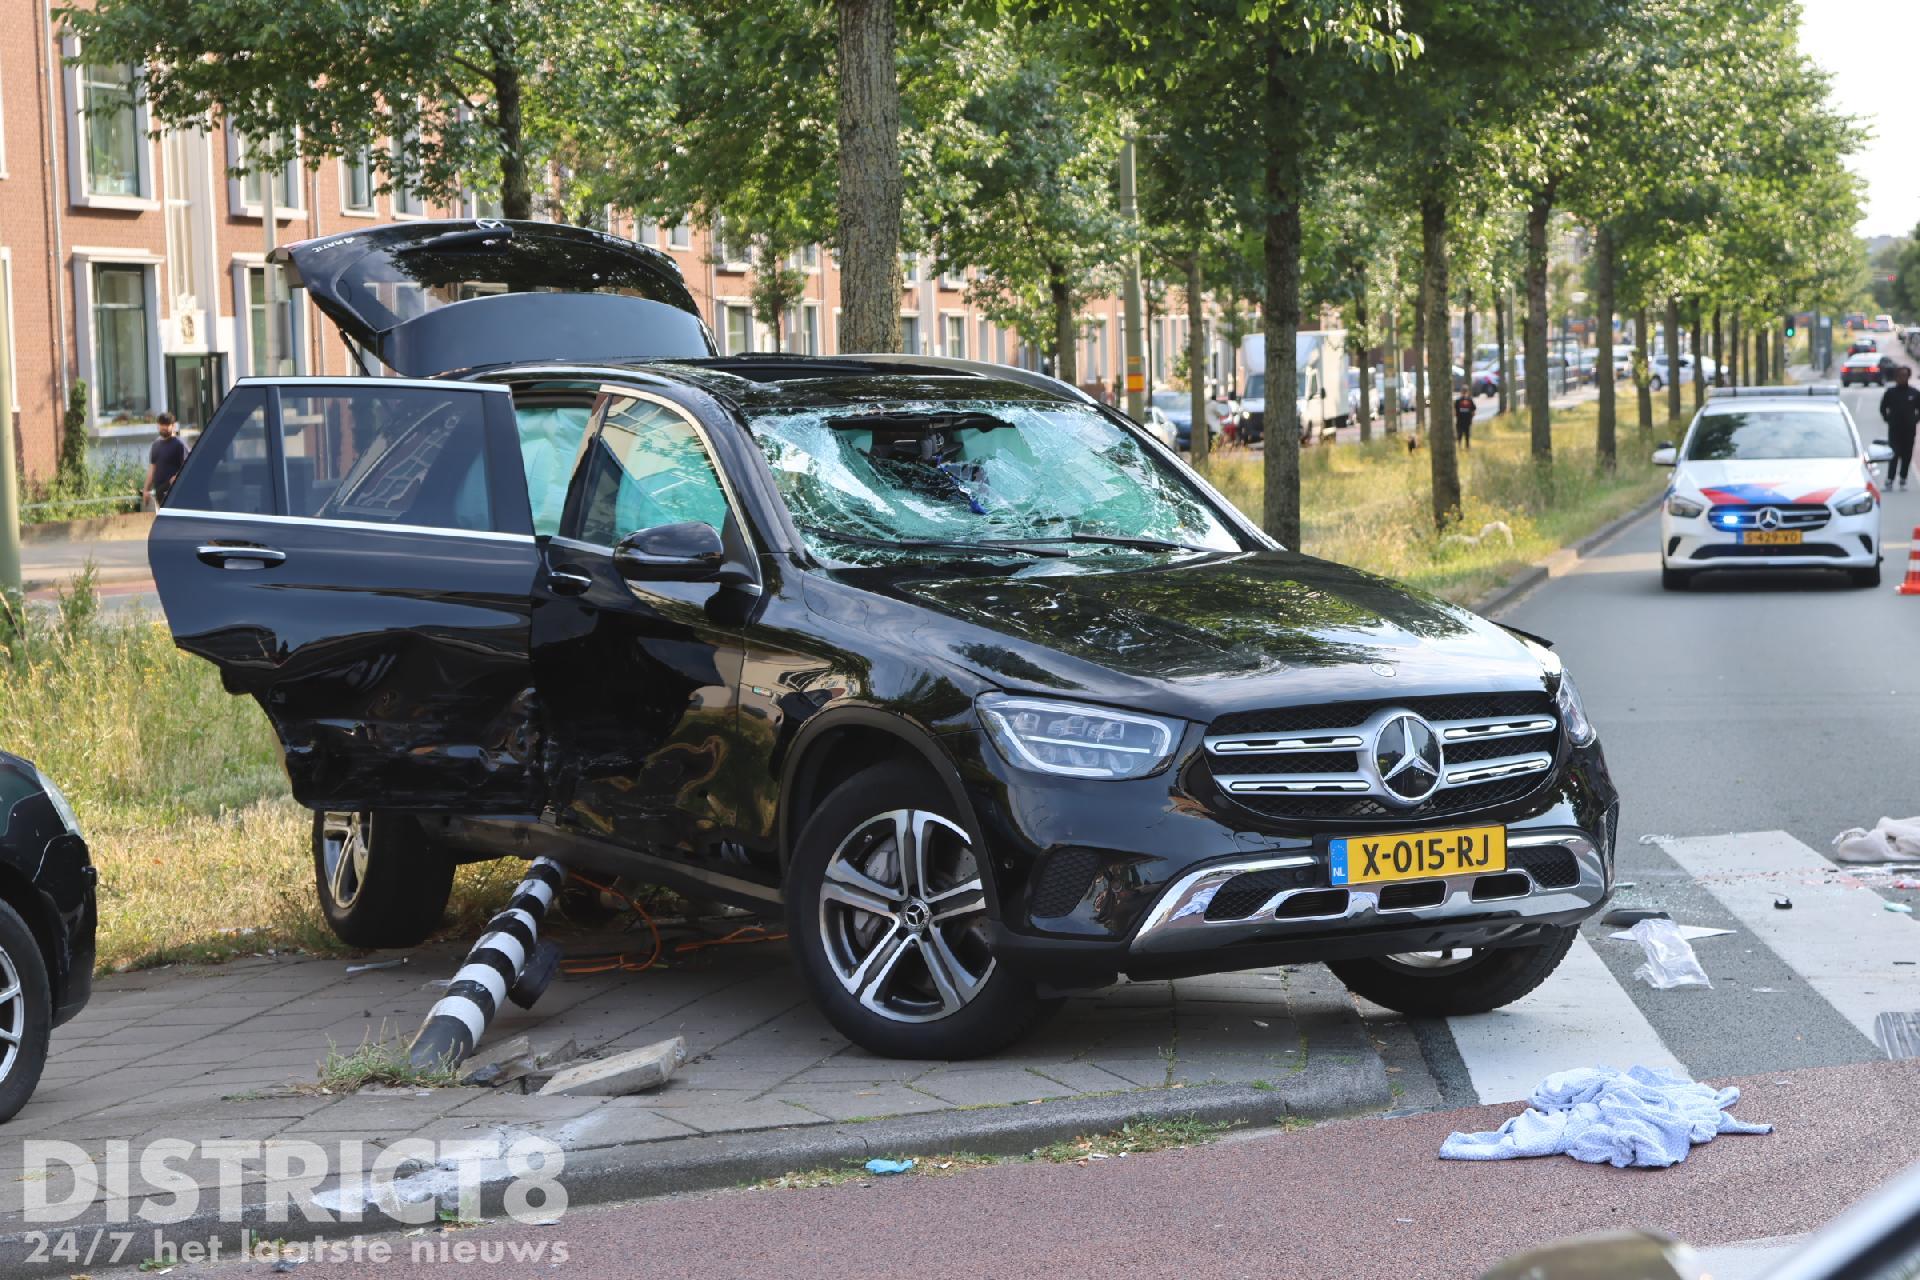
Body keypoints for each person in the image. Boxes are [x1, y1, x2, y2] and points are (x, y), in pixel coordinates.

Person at [1880, 366, 1920, 489]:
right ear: (1896, 378)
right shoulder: (1890, 392)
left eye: (1905, 375)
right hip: (1895, 430)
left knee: (1907, 455)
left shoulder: (1914, 393)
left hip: (1909, 430)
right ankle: (1890, 479)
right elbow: (1883, 407)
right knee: (1894, 454)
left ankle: (1903, 477)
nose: (1902, 378)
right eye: (1900, 376)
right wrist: (1888, 419)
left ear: (1908, 376)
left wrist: (1914, 420)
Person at [142, 412, 186, 509]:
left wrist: (175, 478)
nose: (163, 427)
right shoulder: (156, 445)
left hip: (174, 493)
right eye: (161, 424)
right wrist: (146, 490)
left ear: (173, 426)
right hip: (159, 493)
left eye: (167, 424)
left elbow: (187, 467)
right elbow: (152, 469)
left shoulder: (179, 444)